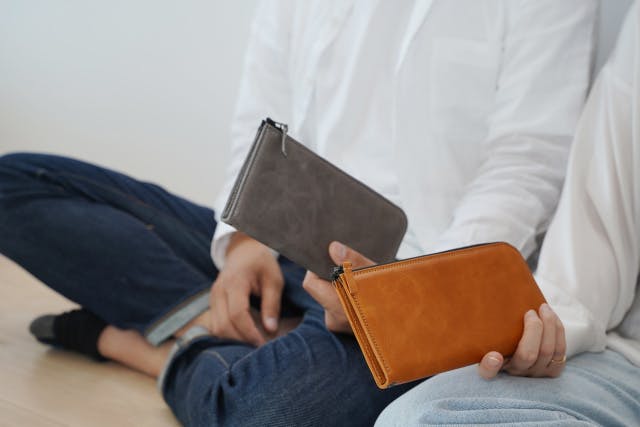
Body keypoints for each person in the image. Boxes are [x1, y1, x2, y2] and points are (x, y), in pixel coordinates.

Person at [0, 1, 597, 425]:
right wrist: (244, 245)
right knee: (14, 184)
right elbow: (261, 118)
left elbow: (526, 162)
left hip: (407, 282)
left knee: (268, 414)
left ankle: (145, 344)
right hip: (283, 242)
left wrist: (400, 299)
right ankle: (241, 326)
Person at [376, 2, 640, 425]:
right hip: (626, 363)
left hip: (411, 268)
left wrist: (424, 301)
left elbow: (526, 162)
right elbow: (597, 240)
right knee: (420, 418)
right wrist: (538, 334)